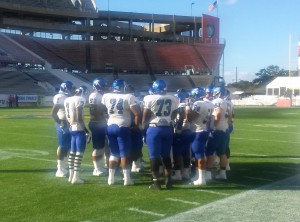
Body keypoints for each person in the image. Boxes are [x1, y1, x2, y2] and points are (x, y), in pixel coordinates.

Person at [101, 79, 141, 186]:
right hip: (122, 126)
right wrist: (136, 127)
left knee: (114, 153)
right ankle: (127, 179)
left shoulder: (106, 96)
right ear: (122, 87)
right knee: (124, 154)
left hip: (110, 125)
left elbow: (102, 110)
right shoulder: (128, 97)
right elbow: (137, 114)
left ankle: (111, 178)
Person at [142, 80, 179, 190]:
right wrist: (168, 119)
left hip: (154, 128)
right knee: (166, 156)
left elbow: (145, 117)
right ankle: (168, 179)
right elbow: (175, 113)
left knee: (154, 157)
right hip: (167, 128)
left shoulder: (149, 98)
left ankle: (156, 182)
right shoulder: (174, 98)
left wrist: (143, 130)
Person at [188, 87, 214, 185]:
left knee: (199, 155)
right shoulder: (210, 103)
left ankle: (202, 179)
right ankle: (198, 175)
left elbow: (190, 118)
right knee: (197, 154)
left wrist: (187, 109)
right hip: (204, 130)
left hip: (198, 131)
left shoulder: (198, 104)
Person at [64, 85, 90, 184]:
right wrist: (86, 130)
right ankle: (76, 177)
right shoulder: (80, 99)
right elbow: (79, 116)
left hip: (71, 127)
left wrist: (70, 125)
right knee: (79, 153)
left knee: (72, 152)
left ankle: (71, 176)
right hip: (78, 128)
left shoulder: (68, 99)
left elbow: (67, 116)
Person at [206, 86, 232, 180]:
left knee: (210, 152)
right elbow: (230, 118)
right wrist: (226, 126)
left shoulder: (217, 101)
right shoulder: (228, 103)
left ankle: (208, 174)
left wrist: (214, 127)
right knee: (222, 152)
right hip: (225, 130)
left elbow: (218, 114)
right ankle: (222, 173)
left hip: (217, 130)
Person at [51, 81, 73, 178]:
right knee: (63, 146)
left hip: (68, 122)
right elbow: (53, 113)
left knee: (68, 146)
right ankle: (60, 170)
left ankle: (65, 167)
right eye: (70, 88)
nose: (72, 89)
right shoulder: (60, 96)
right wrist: (61, 123)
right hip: (63, 121)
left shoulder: (67, 96)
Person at [88, 77, 108, 176]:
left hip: (100, 122)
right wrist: (100, 118)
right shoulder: (94, 95)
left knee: (102, 146)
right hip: (97, 123)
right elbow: (93, 110)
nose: (104, 87)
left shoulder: (98, 95)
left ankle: (100, 167)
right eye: (103, 85)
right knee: (98, 148)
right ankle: (96, 169)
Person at [171, 89, 192, 181]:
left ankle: (178, 173)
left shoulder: (180, 105)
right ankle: (186, 172)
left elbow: (182, 115)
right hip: (188, 130)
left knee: (177, 153)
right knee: (186, 152)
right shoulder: (189, 105)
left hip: (180, 131)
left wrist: (178, 128)